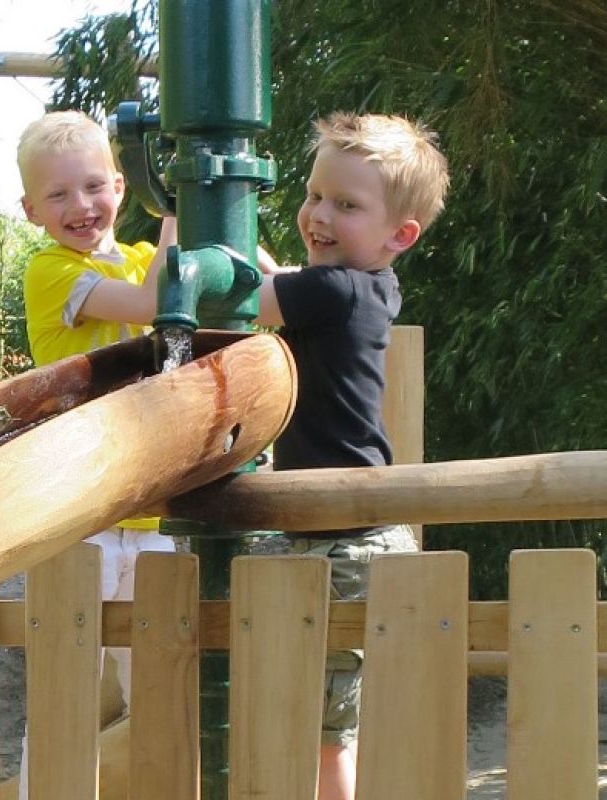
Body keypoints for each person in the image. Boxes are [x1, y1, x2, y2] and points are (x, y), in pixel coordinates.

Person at [246, 111, 449, 800]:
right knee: (330, 723)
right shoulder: (370, 285)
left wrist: (170, 237)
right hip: (353, 532)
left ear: (399, 235)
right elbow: (290, 287)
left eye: (345, 205)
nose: (317, 214)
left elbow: (239, 295)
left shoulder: (330, 290)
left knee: (324, 734)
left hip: (341, 537)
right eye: (312, 195)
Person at [14, 110, 175, 796]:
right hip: (80, 512)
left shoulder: (143, 254)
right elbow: (148, 301)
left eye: (91, 187)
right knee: (64, 691)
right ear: (30, 210)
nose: (80, 207)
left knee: (163, 692)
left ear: (117, 184)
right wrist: (177, 209)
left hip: (152, 508)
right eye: (58, 195)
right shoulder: (51, 271)